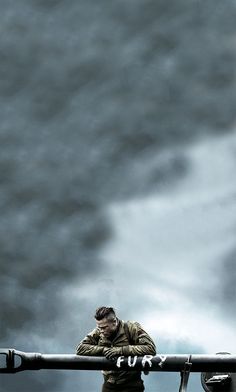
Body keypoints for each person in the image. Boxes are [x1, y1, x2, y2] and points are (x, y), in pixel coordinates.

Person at [76, 306, 156, 392]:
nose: (101, 330)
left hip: (132, 385)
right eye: (99, 327)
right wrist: (103, 350)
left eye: (104, 327)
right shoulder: (99, 331)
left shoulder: (131, 328)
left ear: (114, 322)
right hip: (109, 385)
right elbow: (80, 348)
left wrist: (120, 350)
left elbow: (150, 348)